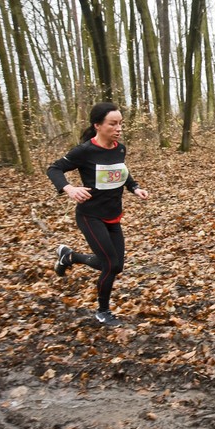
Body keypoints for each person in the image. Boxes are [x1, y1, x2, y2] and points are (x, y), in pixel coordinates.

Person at [47, 102, 149, 326]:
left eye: (121, 123)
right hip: (90, 216)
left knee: (116, 265)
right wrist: (69, 188)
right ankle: (103, 311)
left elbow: (122, 171)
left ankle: (70, 257)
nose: (119, 128)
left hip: (113, 215)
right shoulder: (85, 151)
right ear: (98, 126)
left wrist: (134, 187)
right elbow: (53, 168)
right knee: (110, 264)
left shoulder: (119, 148)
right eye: (113, 124)